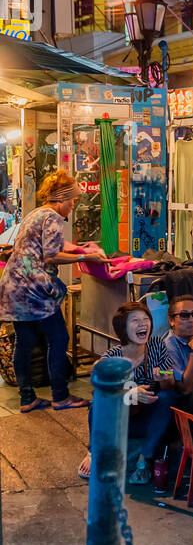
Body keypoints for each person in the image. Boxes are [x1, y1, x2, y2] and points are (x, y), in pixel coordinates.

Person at [0, 169, 106, 415]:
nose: (73, 205)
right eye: (72, 201)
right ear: (61, 198)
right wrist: (87, 255)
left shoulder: (36, 213)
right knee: (58, 339)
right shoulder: (54, 218)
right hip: (33, 289)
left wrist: (79, 247)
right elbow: (51, 254)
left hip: (14, 287)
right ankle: (61, 396)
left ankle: (27, 398)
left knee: (24, 343)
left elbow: (54, 244)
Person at [87, 301, 177, 485]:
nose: (143, 324)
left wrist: (164, 377)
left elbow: (171, 377)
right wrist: (130, 393)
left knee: (168, 397)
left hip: (147, 419)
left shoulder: (157, 346)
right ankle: (94, 451)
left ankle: (144, 461)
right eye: (135, 321)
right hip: (119, 422)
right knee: (97, 402)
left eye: (146, 319)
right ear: (123, 329)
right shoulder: (113, 357)